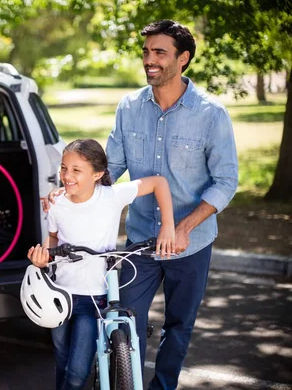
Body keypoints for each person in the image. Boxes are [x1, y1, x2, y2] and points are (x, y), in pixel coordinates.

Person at [46, 20, 239, 390]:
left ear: (182, 59)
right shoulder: (130, 106)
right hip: (139, 241)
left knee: (178, 326)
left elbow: (226, 181)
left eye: (160, 52)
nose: (150, 59)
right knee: (122, 321)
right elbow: (110, 168)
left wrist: (182, 228)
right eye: (147, 52)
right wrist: (70, 189)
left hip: (191, 242)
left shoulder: (211, 114)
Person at [30, 138, 175, 390]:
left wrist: (168, 227)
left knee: (76, 372)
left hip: (93, 299)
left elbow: (159, 183)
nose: (66, 175)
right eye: (64, 168)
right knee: (62, 360)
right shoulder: (56, 204)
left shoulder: (111, 196)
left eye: (76, 170)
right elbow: (53, 239)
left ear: (97, 174)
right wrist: (44, 256)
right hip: (60, 295)